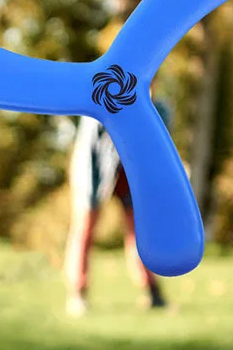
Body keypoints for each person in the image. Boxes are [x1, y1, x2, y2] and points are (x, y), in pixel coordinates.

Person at [63, 102, 170, 316]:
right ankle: (78, 292)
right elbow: (89, 151)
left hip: (131, 176)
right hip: (96, 174)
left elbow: (159, 149)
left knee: (140, 235)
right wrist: (89, 192)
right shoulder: (100, 106)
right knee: (84, 230)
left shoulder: (160, 109)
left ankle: (152, 291)